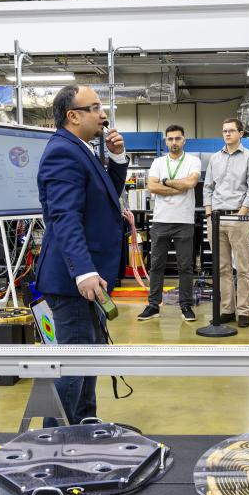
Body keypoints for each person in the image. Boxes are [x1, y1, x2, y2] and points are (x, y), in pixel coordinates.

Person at [35, 85, 128, 426]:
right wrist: (84, 271)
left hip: (89, 279)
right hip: (73, 281)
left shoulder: (82, 149)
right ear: (73, 116)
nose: (103, 114)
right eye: (95, 107)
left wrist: (117, 159)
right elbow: (65, 217)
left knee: (87, 359)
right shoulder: (63, 152)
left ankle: (84, 427)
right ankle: (53, 442)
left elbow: (104, 195)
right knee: (73, 367)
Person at [138, 125, 202, 323]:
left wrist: (164, 182)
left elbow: (190, 184)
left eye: (178, 138)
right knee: (156, 265)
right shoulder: (158, 162)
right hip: (160, 221)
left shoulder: (193, 161)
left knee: (185, 266)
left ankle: (186, 305)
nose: (174, 142)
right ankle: (153, 305)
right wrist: (177, 187)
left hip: (184, 221)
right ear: (165, 141)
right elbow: (151, 187)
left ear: (184, 140)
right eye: (170, 139)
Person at [203, 118, 249, 328]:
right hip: (216, 219)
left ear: (241, 133)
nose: (227, 134)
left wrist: (241, 213)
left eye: (231, 131)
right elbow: (208, 187)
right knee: (222, 268)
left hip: (239, 218)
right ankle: (227, 309)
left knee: (243, 267)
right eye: (224, 131)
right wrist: (209, 213)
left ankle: (244, 312)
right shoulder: (215, 159)